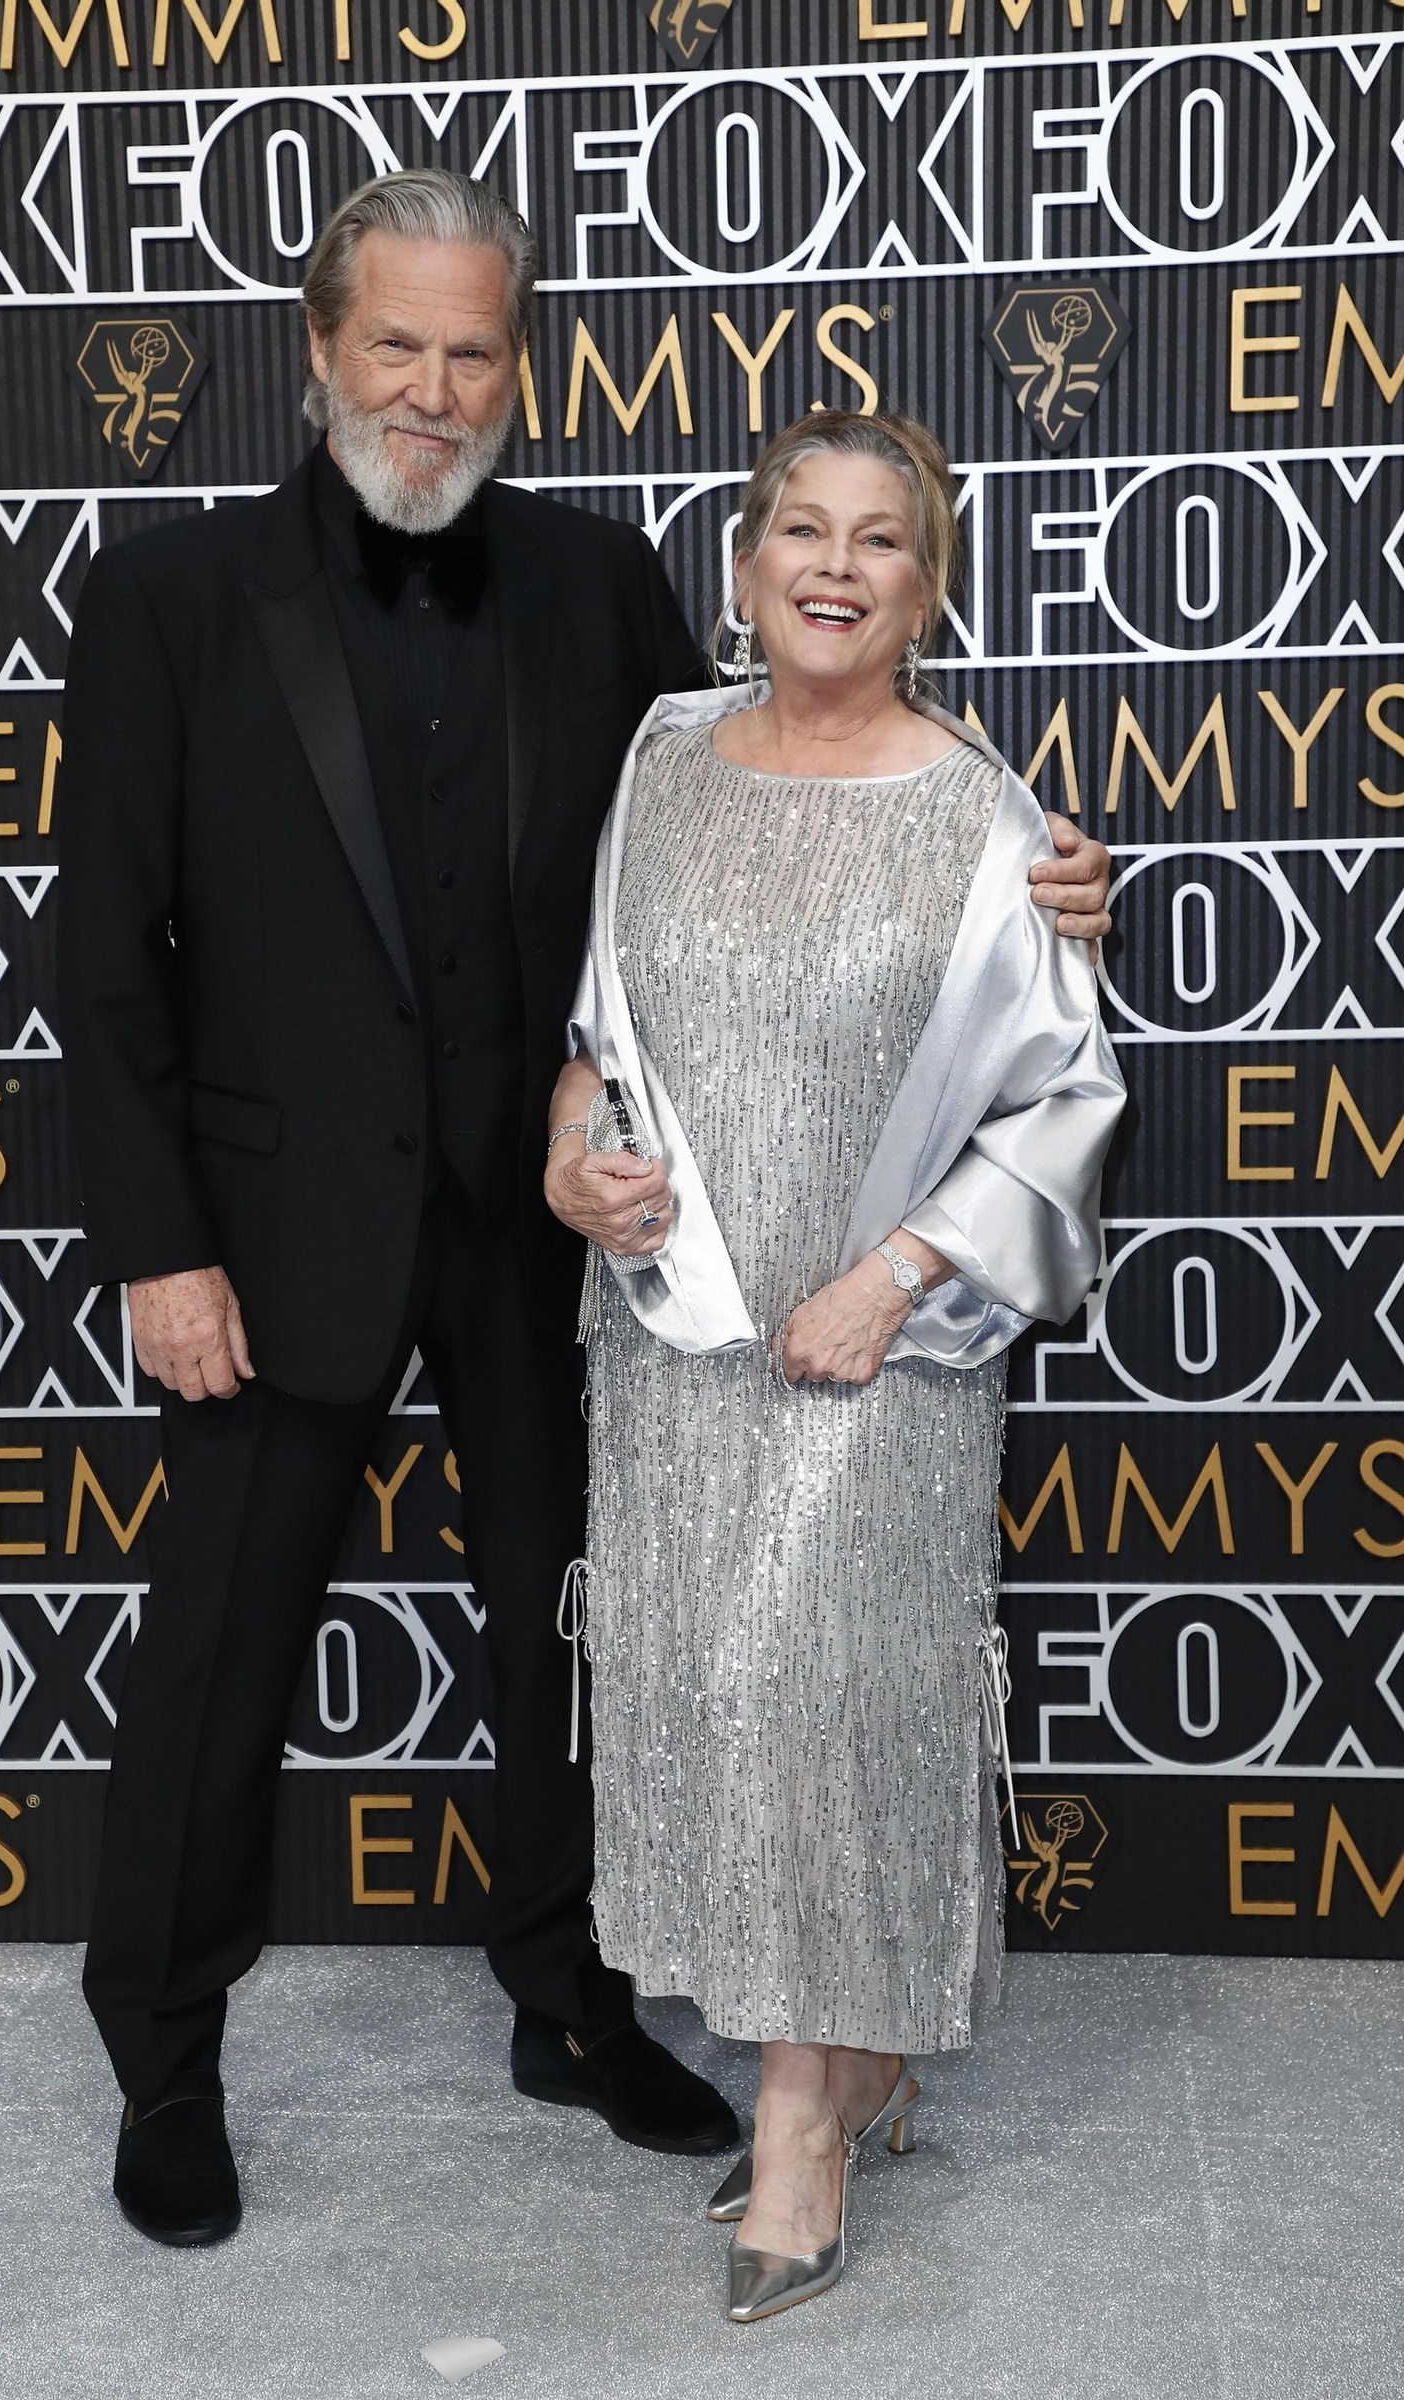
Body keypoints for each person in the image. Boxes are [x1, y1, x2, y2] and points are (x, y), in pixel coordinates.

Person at [57, 167, 1115, 2248]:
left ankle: (562, 1998)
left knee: (572, 1643)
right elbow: (104, 958)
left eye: (472, 350)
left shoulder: (600, 585)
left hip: (571, 1241)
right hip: (269, 1245)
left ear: (513, 367)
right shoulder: (175, 600)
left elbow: (756, 809)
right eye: (396, 345)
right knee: (218, 1658)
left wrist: (1036, 887)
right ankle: (163, 2061)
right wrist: (157, 1243)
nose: (432, 389)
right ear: (320, 350)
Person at [545, 409, 1125, 2324]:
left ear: (929, 587)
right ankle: (852, 2051)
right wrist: (573, 1153)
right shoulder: (655, 761)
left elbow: (1060, 1104)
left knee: (828, 1697)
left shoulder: (989, 816)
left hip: (883, 1351)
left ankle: (799, 2123)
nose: (835, 563)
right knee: (720, 1694)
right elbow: (596, 1029)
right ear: (742, 561)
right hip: (680, 1340)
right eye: (803, 526)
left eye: (883, 540)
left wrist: (892, 1277)